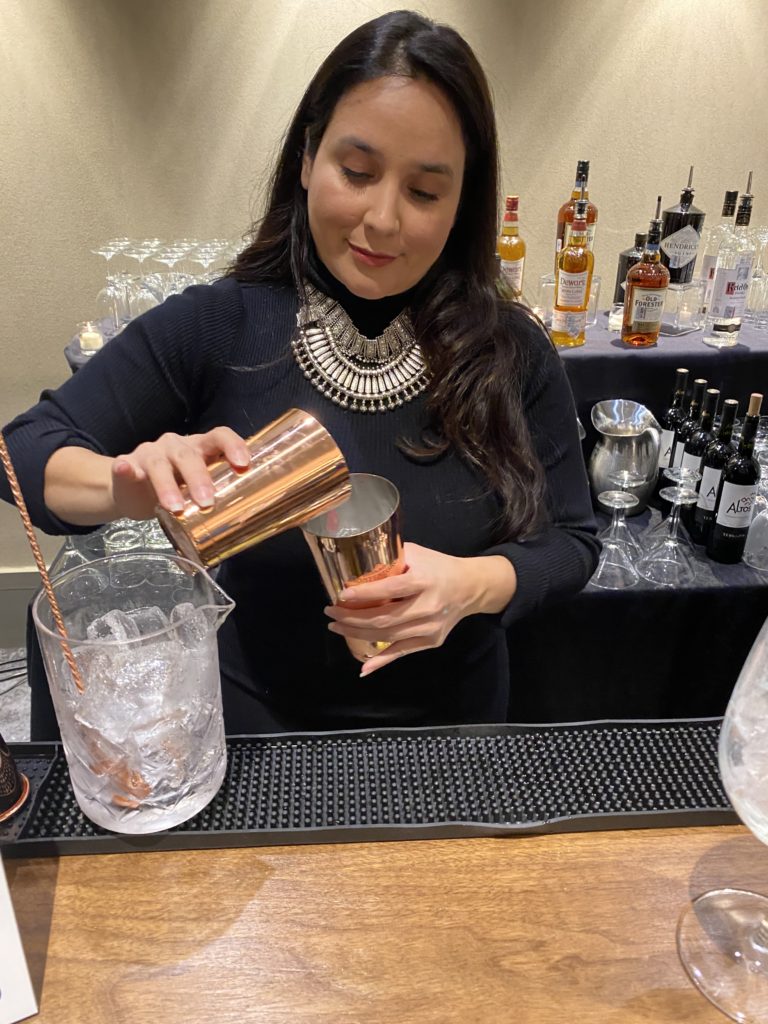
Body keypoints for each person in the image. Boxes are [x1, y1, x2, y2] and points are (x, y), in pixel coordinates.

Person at [1, 10, 599, 737]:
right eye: (357, 171)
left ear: (462, 204)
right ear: (308, 157)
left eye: (424, 192)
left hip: (455, 733)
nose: (382, 218)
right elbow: (22, 455)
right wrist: (128, 485)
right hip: (256, 733)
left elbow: (573, 540)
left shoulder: (512, 348)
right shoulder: (218, 325)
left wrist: (473, 585)